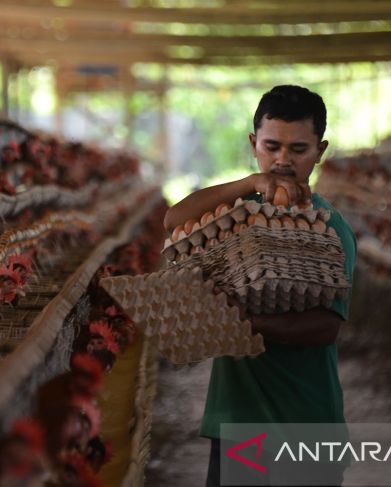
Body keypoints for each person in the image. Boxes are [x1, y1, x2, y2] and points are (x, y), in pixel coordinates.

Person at [163, 85, 357, 487]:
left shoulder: (332, 229)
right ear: (254, 144)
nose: (282, 160)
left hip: (306, 422)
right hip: (238, 421)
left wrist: (248, 321)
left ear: (320, 150)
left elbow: (327, 328)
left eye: (298, 149)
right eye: (271, 146)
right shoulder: (235, 215)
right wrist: (246, 184)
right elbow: (173, 221)